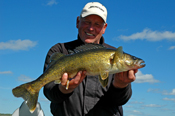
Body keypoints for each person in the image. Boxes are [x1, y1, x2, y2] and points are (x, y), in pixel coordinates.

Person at [43, 2, 137, 116]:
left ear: (104, 28)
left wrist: (120, 86)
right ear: (78, 22)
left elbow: (119, 101)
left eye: (97, 24)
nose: (91, 28)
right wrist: (64, 89)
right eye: (87, 22)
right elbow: (49, 91)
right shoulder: (60, 50)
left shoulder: (115, 56)